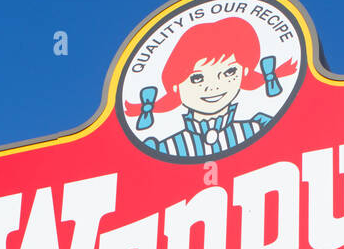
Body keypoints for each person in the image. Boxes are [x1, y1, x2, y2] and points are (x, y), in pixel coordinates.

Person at [127, 16, 297, 159]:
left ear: (244, 72)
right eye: (197, 78)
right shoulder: (163, 149)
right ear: (175, 85)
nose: (213, 86)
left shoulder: (259, 127)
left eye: (229, 72)